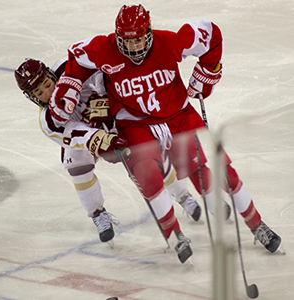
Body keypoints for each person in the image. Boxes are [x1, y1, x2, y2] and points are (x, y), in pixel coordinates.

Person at [49, 4, 281, 262]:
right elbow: (76, 56)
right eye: (127, 41)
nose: (134, 47)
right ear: (117, 36)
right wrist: (70, 81)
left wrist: (208, 71)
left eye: (138, 39)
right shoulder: (105, 48)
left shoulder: (170, 41)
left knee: (218, 172)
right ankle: (174, 235)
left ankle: (257, 224)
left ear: (148, 32)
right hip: (135, 122)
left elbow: (211, 33)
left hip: (179, 116)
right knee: (148, 176)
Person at [14, 56, 203, 246]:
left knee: (147, 156)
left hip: (112, 116)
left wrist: (103, 97)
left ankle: (182, 194)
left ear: (50, 74)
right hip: (89, 140)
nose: (48, 92)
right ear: (32, 97)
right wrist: (101, 138)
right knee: (75, 162)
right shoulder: (48, 122)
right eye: (39, 92)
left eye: (47, 84)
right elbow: (76, 136)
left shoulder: (67, 67)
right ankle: (97, 213)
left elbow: (101, 66)